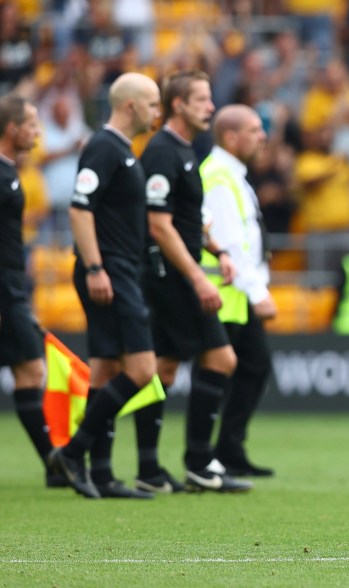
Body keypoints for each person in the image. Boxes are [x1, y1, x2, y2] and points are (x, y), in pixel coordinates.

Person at [47, 73, 162, 499]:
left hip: (119, 269)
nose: (158, 111)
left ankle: (104, 473)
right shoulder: (103, 146)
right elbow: (80, 209)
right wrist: (96, 268)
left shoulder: (124, 151)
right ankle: (74, 453)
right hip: (108, 270)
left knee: (107, 370)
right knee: (142, 370)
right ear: (131, 105)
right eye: (153, 103)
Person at [140, 72, 251, 493]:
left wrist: (218, 251)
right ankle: (200, 463)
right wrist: (199, 279)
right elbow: (159, 225)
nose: (211, 106)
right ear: (178, 105)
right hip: (171, 276)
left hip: (175, 273)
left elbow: (189, 219)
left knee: (163, 369)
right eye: (202, 99)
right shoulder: (164, 152)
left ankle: (149, 469)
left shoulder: (186, 151)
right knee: (222, 360)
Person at [199, 103, 277, 477]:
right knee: (219, 372)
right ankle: (203, 456)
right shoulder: (217, 176)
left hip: (234, 293)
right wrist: (258, 291)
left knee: (253, 366)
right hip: (222, 291)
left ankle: (227, 450)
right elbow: (228, 241)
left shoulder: (233, 174)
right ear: (231, 137)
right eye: (255, 130)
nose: (263, 136)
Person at [0, 93, 65, 488]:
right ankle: (56, 464)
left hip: (12, 285)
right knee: (31, 368)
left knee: (30, 368)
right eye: (32, 125)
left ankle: (55, 465)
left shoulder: (12, 171)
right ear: (12, 129)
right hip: (4, 288)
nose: (38, 133)